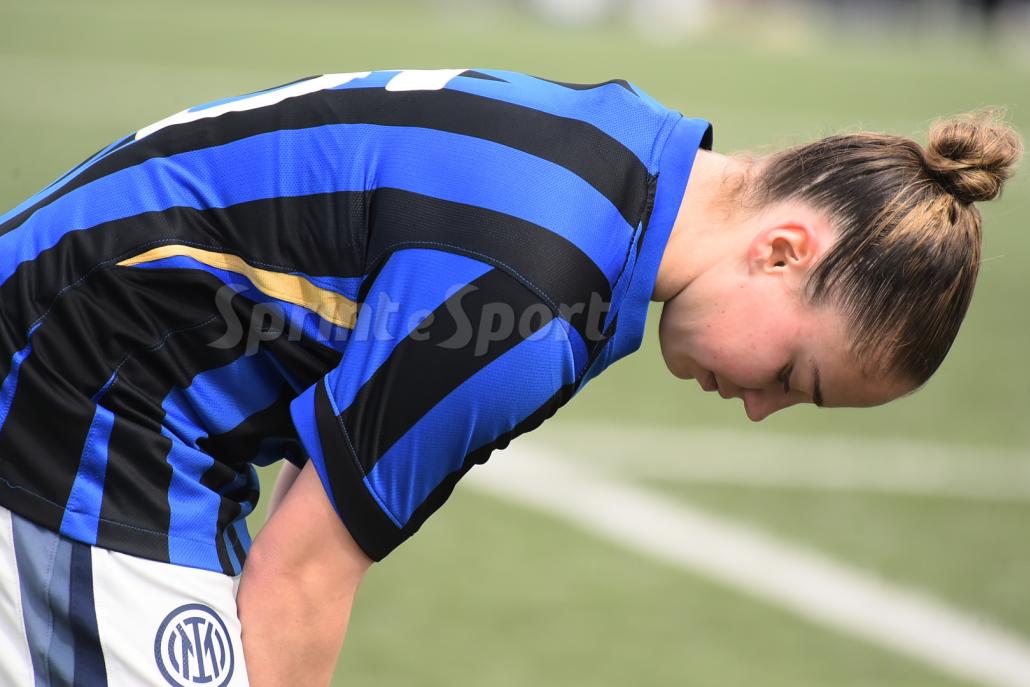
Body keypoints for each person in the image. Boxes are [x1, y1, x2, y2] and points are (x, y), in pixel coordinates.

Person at [0, 68, 1020, 686]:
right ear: (783, 251)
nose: (760, 408)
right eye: (793, 373)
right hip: (82, 388)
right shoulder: (537, 297)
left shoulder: (622, 149)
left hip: (114, 379)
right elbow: (300, 576)